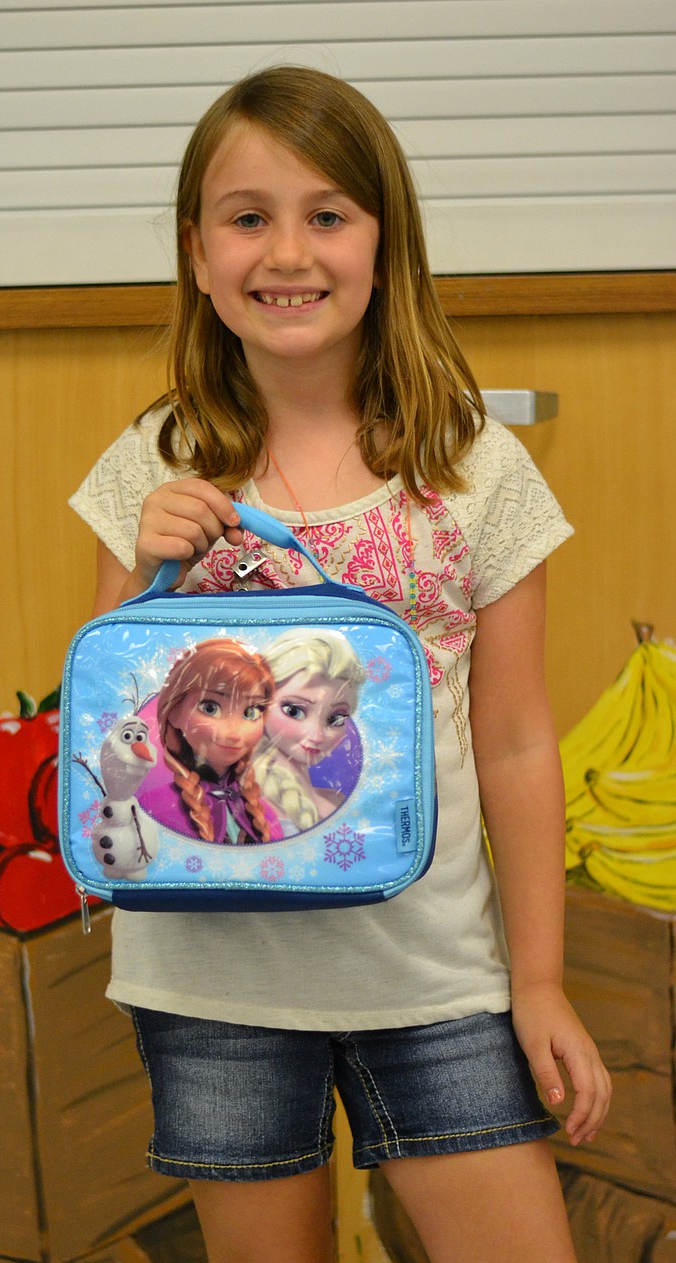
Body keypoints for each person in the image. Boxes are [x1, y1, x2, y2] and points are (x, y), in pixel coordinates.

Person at [69, 65, 611, 1263]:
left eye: (327, 215)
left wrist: (539, 981)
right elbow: (95, 717)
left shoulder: (473, 468)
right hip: (213, 993)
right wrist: (145, 573)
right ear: (197, 251)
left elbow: (519, 738)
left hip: (435, 980)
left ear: (384, 243)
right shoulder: (151, 463)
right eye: (247, 217)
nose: (287, 251)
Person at [138, 637, 279, 845]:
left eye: (250, 712)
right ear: (174, 711)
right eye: (210, 708)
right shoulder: (153, 807)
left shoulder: (264, 814)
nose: (234, 734)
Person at [252, 629, 365, 833]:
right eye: (294, 711)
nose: (317, 736)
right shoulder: (241, 805)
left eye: (335, 719)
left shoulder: (336, 800)